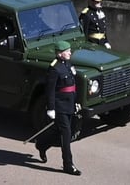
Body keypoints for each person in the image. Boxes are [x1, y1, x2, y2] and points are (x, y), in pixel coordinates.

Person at [35, 40, 81, 176]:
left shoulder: (67, 64)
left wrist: (76, 102)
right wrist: (51, 108)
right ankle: (68, 165)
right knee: (66, 134)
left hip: (69, 103)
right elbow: (50, 90)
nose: (70, 52)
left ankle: (42, 144)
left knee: (58, 131)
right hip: (60, 105)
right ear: (60, 54)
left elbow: (73, 85)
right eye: (67, 51)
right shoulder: (54, 68)